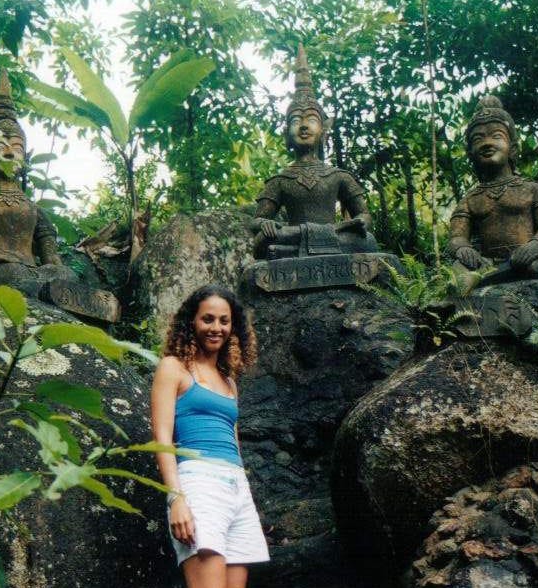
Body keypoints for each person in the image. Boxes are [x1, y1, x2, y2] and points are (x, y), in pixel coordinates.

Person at [151, 285, 269, 588]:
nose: (216, 328)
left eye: (224, 321)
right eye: (208, 319)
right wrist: (176, 499)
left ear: (233, 327)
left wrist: (245, 493)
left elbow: (234, 443)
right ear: (192, 321)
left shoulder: (229, 381)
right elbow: (161, 437)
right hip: (199, 484)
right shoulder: (173, 368)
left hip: (237, 489)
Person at [249, 45, 376, 259]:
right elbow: (256, 221)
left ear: (323, 130)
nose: (304, 126)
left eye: (311, 120)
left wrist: (361, 222)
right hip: (299, 234)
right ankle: (302, 243)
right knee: (263, 241)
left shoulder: (338, 176)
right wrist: (267, 223)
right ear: (287, 133)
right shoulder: (280, 180)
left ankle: (290, 250)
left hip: (328, 235)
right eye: (296, 120)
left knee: (369, 242)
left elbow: (364, 214)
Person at [447, 95, 538, 285]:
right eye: (478, 138)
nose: (487, 143)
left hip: (527, 260)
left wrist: (535, 245)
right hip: (486, 264)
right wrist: (463, 249)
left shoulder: (533, 189)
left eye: (496, 136)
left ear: (513, 148)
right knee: (458, 272)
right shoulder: (470, 198)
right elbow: (456, 237)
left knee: (537, 267)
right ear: (470, 154)